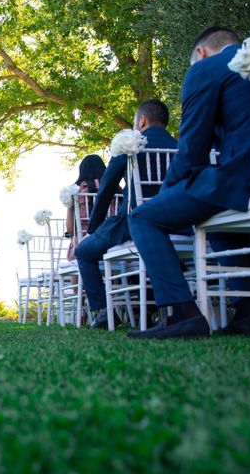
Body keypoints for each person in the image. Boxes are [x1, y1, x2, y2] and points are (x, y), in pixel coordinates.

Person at [127, 27, 250, 339]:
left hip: (249, 178)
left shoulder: (206, 69)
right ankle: (247, 314)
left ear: (201, 53)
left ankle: (183, 314)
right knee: (214, 217)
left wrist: (166, 196)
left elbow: (191, 150)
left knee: (142, 217)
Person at [75, 99, 177, 329]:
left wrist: (93, 228)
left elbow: (106, 190)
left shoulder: (130, 146)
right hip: (177, 224)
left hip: (132, 223)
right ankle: (155, 311)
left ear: (141, 121)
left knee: (84, 252)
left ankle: (102, 311)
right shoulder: (180, 146)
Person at [65, 154, 107, 262]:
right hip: (112, 240)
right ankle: (114, 279)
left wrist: (69, 206)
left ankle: (78, 278)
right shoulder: (115, 188)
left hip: (86, 243)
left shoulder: (77, 192)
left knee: (75, 251)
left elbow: (70, 229)